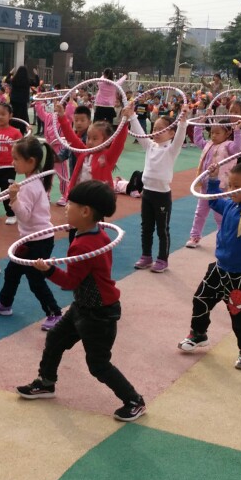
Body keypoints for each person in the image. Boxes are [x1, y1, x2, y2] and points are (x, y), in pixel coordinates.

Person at [16, 180, 147, 422]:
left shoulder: (83, 246)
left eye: (71, 205)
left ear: (85, 211)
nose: (66, 208)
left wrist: (47, 269)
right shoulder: (95, 234)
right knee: (55, 338)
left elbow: (69, 282)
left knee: (98, 364)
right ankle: (46, 382)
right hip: (84, 306)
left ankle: (134, 400)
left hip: (99, 313)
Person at [179, 160, 241, 370]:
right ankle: (199, 334)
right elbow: (214, 201)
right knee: (201, 299)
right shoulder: (231, 205)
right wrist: (214, 179)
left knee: (240, 316)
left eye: (236, 186)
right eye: (230, 184)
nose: (231, 189)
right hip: (220, 267)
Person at [0, 136, 63, 330]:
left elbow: (24, 216)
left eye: (16, 159)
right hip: (29, 239)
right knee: (12, 272)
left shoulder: (29, 186)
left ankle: (55, 312)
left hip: (38, 240)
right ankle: (5, 303)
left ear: (31, 161)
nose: (12, 162)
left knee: (35, 279)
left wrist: (14, 199)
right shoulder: (33, 180)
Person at [128, 108, 185, 272]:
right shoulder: (150, 146)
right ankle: (146, 256)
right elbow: (140, 133)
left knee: (162, 229)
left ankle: (162, 259)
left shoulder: (171, 149)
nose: (157, 132)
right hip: (147, 193)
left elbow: (180, 137)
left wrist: (182, 122)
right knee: (146, 227)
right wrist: (132, 115)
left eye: (162, 129)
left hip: (162, 196)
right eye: (155, 128)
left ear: (171, 133)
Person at [186, 105, 241, 248]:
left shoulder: (229, 146)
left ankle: (223, 238)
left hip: (221, 186)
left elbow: (238, 148)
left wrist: (237, 130)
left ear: (227, 133)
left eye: (217, 133)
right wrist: (200, 124)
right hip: (206, 185)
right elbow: (198, 140)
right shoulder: (209, 144)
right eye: (212, 132)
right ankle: (194, 237)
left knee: (220, 215)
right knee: (200, 212)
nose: (213, 136)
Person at [0, 103, 23, 222]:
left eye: (3, 114)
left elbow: (21, 148)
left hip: (9, 167)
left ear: (10, 116)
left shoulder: (15, 132)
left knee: (7, 191)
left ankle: (11, 214)